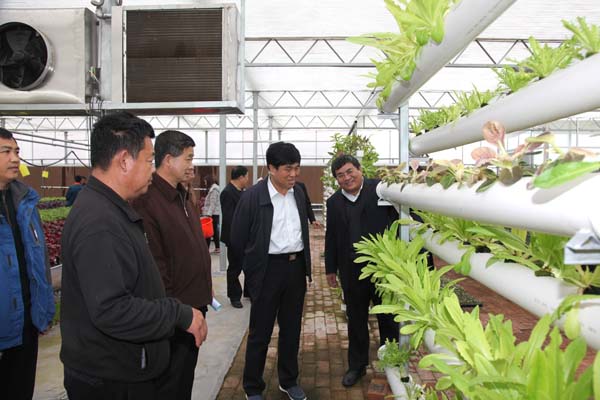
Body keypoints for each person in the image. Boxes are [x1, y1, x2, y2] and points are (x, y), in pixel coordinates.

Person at [60, 112, 207, 400]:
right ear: (125, 161)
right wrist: (178, 313)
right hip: (111, 378)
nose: (152, 170)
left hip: (120, 369)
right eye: (149, 161)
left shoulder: (111, 208)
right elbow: (112, 309)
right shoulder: (100, 222)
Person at [132, 130, 213, 400]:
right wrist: (175, 312)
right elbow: (156, 266)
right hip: (175, 315)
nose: (192, 165)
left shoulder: (182, 196)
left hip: (194, 306)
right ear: (168, 160)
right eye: (188, 158)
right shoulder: (148, 201)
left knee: (184, 378)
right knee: (171, 383)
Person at [231, 142, 311, 400]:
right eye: (288, 169)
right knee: (260, 333)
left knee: (291, 330)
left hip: (295, 269)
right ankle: (252, 386)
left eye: (297, 168)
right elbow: (237, 239)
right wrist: (252, 271)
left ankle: (288, 380)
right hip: (267, 271)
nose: (293, 174)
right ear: (271, 168)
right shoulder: (252, 197)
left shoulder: (299, 193)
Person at [325, 154, 399, 387]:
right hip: (351, 271)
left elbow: (400, 222)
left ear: (360, 169)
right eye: (340, 175)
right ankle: (356, 366)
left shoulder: (381, 190)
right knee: (356, 320)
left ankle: (393, 363)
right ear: (336, 179)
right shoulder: (334, 202)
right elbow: (331, 236)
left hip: (382, 268)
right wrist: (330, 268)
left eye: (350, 171)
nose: (347, 178)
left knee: (388, 318)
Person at [0, 128, 55, 400]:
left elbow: (39, 260)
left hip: (26, 325)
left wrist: (43, 310)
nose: (15, 158)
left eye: (17, 152)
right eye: (6, 152)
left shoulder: (25, 202)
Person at [220, 165, 250, 308]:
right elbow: (230, 219)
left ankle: (249, 292)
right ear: (241, 177)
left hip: (245, 237)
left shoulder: (241, 191)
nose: (248, 180)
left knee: (248, 265)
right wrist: (236, 238)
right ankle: (234, 296)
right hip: (234, 238)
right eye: (247, 177)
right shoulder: (227, 193)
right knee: (235, 267)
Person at [202, 174, 221, 253]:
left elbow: (212, 203)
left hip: (212, 214)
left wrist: (208, 214)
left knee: (209, 232)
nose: (205, 183)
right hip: (214, 213)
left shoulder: (213, 190)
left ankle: (207, 248)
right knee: (214, 231)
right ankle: (217, 247)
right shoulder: (214, 189)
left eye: (205, 182)